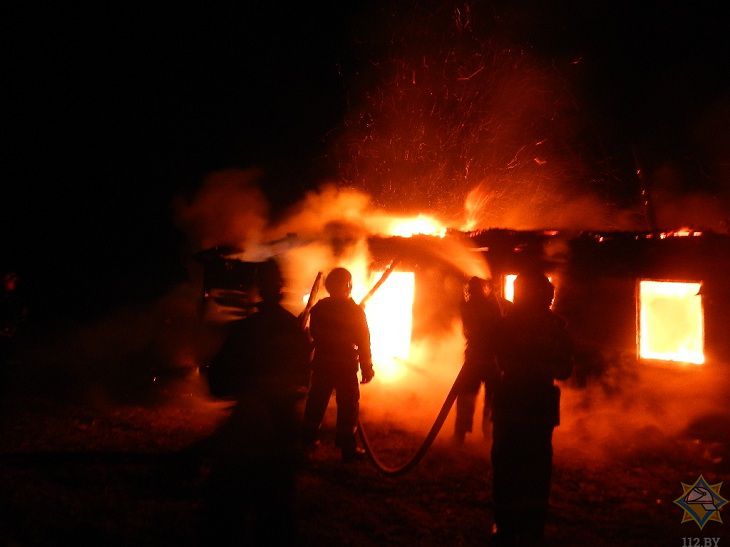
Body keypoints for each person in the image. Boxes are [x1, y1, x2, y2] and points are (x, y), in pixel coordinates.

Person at [203, 258, 311, 545]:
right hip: (280, 438)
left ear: (258, 288)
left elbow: (218, 383)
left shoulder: (243, 331)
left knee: (226, 518)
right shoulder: (294, 331)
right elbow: (302, 378)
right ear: (282, 287)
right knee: (276, 519)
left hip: (245, 438)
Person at [490, 270, 573, 545]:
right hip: (538, 407)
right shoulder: (556, 327)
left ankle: (504, 526)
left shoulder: (504, 325)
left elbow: (498, 360)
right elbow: (564, 370)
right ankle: (532, 528)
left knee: (506, 467)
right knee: (536, 471)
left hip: (512, 403)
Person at [302, 267, 375, 462]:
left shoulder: (319, 308)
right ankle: (347, 449)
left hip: (323, 364)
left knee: (316, 404)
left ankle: (307, 443)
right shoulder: (355, 312)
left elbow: (314, 335)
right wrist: (366, 367)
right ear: (347, 285)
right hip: (345, 366)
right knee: (348, 407)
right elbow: (363, 340)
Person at [454, 276, 506, 444]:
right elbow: (500, 322)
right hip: (490, 358)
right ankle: (489, 433)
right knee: (492, 398)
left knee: (466, 397)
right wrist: (494, 294)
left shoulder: (467, 307)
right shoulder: (490, 306)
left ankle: (460, 435)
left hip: (475, 357)